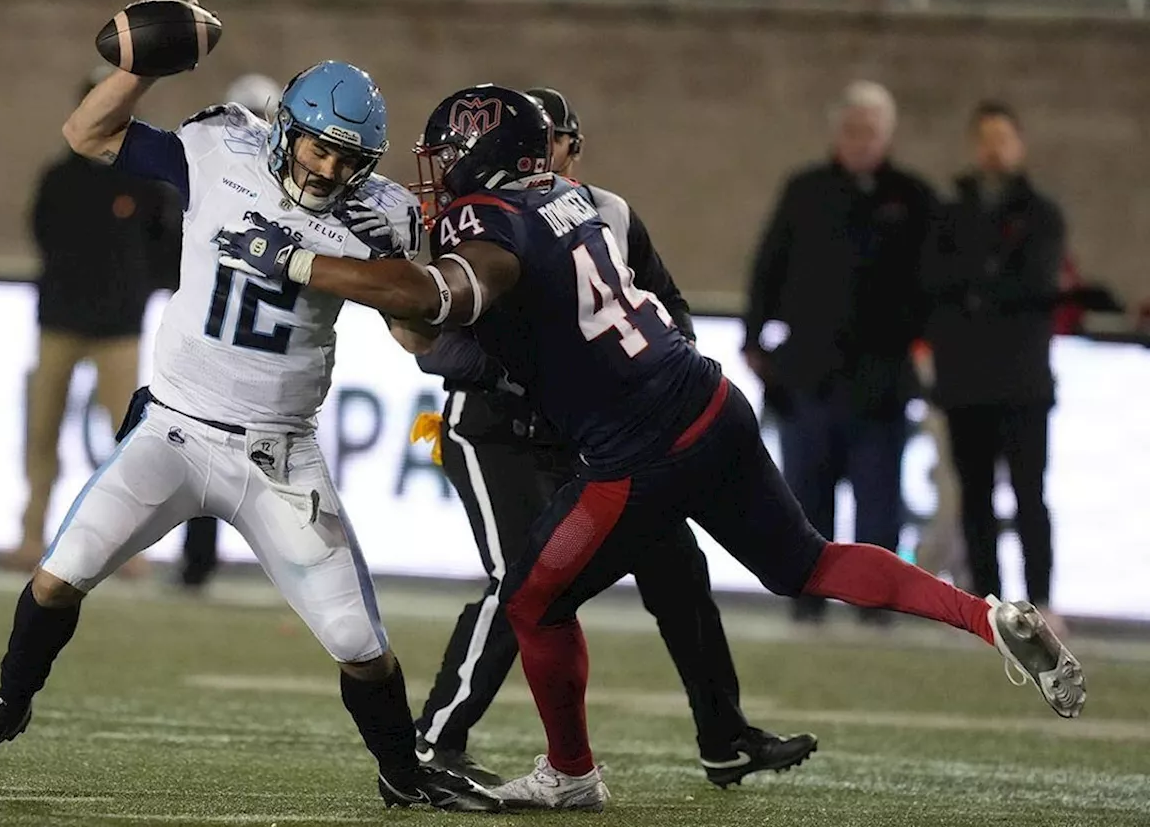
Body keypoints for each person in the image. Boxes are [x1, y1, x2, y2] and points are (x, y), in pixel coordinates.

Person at [214, 83, 1086, 811]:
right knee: (808, 561)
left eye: (445, 155)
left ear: (479, 153)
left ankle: (570, 771)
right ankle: (984, 615)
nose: (435, 174)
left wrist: (293, 261)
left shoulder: (496, 225)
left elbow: (444, 302)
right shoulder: (573, 200)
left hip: (636, 452)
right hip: (710, 401)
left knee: (531, 601)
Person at [0, 49, 498, 813]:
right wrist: (141, 66)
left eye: (347, 157)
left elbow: (415, 339)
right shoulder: (217, 145)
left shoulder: (381, 214)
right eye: (318, 146)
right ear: (284, 130)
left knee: (359, 646)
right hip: (174, 427)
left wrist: (424, 299)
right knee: (58, 575)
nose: (328, 169)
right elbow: (89, 134)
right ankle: (10, 701)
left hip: (278, 452)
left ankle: (401, 769)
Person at [408, 85, 816, 790]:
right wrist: (541, 371)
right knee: (521, 581)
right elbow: (438, 345)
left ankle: (723, 733)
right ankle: (435, 739)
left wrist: (649, 376)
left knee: (678, 568)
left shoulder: (606, 213)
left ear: (568, 145)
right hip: (495, 425)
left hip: (597, 436)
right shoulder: (478, 219)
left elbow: (666, 303)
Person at [743, 81, 936, 625]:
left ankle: (877, 604)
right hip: (809, 373)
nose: (860, 140)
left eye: (870, 131)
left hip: (884, 378)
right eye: (852, 129)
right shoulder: (805, 190)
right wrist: (755, 339)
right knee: (805, 497)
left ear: (887, 135)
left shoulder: (915, 198)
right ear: (838, 133)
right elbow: (768, 267)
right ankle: (808, 601)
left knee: (879, 501)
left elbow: (932, 286)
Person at [4, 65, 180, 576]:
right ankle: (31, 536)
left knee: (126, 442)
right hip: (59, 321)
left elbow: (165, 248)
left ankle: (127, 547)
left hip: (118, 330)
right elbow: (43, 232)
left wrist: (137, 289)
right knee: (41, 433)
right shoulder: (60, 177)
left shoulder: (146, 182)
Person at [922, 101, 1066, 629]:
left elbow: (1036, 285)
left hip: (1023, 381)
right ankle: (985, 603)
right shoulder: (950, 211)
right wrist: (981, 288)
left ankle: (1042, 601)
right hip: (965, 381)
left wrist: (976, 290)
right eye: (985, 138)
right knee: (975, 497)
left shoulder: (1042, 214)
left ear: (1019, 145)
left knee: (1030, 494)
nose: (994, 148)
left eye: (1004, 138)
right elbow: (932, 279)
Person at [178, 72, 283, 591]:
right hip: (213, 347)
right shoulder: (214, 172)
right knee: (189, 452)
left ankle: (299, 570)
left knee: (275, 472)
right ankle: (196, 563)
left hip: (270, 363)